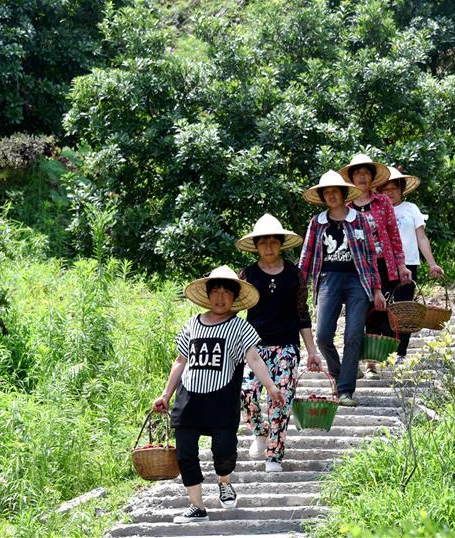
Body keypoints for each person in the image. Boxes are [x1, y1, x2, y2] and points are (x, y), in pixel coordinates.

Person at [152, 265, 284, 524]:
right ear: (208, 294)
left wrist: (270, 386)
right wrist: (166, 394)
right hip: (188, 398)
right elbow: (180, 361)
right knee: (185, 453)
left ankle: (225, 481)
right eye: (216, 291)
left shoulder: (239, 327)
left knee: (224, 451)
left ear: (234, 297)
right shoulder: (192, 324)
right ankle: (197, 507)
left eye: (226, 292)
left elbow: (253, 358)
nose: (220, 297)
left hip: (221, 400)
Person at [236, 214, 323, 473]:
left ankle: (274, 455)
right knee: (246, 393)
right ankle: (260, 432)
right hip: (254, 347)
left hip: (286, 346)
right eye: (264, 242)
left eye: (274, 241)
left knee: (281, 399)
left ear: (281, 244)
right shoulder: (247, 275)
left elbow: (302, 313)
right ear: (257, 245)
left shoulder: (295, 274)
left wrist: (312, 351)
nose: (269, 247)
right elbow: (236, 311)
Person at [298, 170, 385, 407]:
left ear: (343, 193)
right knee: (323, 335)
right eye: (327, 193)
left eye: (335, 191)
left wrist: (377, 289)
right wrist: (297, 288)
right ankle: (340, 373)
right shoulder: (317, 223)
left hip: (358, 280)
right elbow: (306, 258)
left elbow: (370, 257)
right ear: (323, 197)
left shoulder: (361, 220)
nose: (331, 196)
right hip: (328, 279)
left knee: (353, 335)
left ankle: (345, 390)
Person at [339, 154, 412, 378]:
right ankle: (354, 362)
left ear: (372, 177)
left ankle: (371, 363)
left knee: (379, 313)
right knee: (358, 312)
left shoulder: (383, 203)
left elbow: (393, 235)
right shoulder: (346, 207)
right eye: (357, 173)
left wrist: (401, 265)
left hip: (384, 264)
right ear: (351, 178)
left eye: (366, 173)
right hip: (357, 268)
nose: (362, 177)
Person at [378, 166, 445, 361]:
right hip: (382, 265)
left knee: (405, 309)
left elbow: (421, 237)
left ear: (401, 189)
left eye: (394, 188)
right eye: (385, 189)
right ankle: (383, 350)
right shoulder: (377, 209)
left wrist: (432, 264)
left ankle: (400, 352)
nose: (390, 193)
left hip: (408, 265)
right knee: (383, 308)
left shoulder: (411, 209)